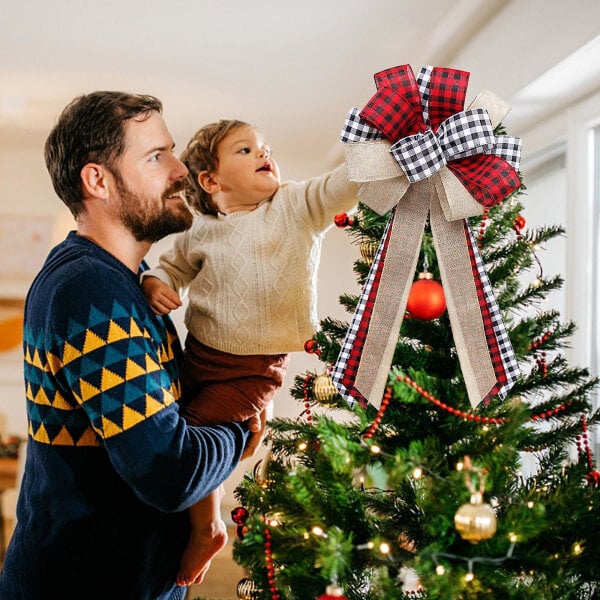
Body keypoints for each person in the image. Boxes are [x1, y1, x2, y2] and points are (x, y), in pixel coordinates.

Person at [0, 93, 265, 600]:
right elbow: (170, 472)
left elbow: (176, 415)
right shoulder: (86, 289)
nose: (181, 170)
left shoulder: (130, 281)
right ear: (97, 180)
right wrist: (241, 419)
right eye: (156, 156)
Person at [141, 118, 359, 586]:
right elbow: (172, 265)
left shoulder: (294, 206)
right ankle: (211, 487)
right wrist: (156, 281)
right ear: (211, 180)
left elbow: (341, 186)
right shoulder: (202, 229)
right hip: (199, 357)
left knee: (193, 435)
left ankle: (209, 528)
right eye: (245, 150)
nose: (264, 154)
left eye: (265, 147)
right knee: (179, 419)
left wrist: (381, 151)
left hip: (254, 368)